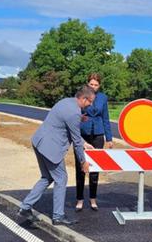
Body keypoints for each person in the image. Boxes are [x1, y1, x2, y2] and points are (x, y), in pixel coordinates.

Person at [18, 86, 95, 226]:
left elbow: (64, 125)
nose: (91, 105)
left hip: (39, 141)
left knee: (47, 177)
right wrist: (83, 162)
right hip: (51, 148)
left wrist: (84, 142)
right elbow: (76, 141)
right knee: (61, 178)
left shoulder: (66, 102)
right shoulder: (74, 113)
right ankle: (58, 216)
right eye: (90, 102)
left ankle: (25, 207)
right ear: (84, 99)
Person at [74, 73, 114, 212]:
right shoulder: (80, 96)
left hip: (97, 134)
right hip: (82, 134)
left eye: (96, 85)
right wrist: (76, 136)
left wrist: (109, 138)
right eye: (91, 84)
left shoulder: (103, 98)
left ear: (99, 86)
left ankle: (93, 199)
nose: (94, 87)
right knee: (81, 167)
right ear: (87, 84)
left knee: (94, 169)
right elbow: (75, 116)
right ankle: (79, 199)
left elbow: (106, 118)